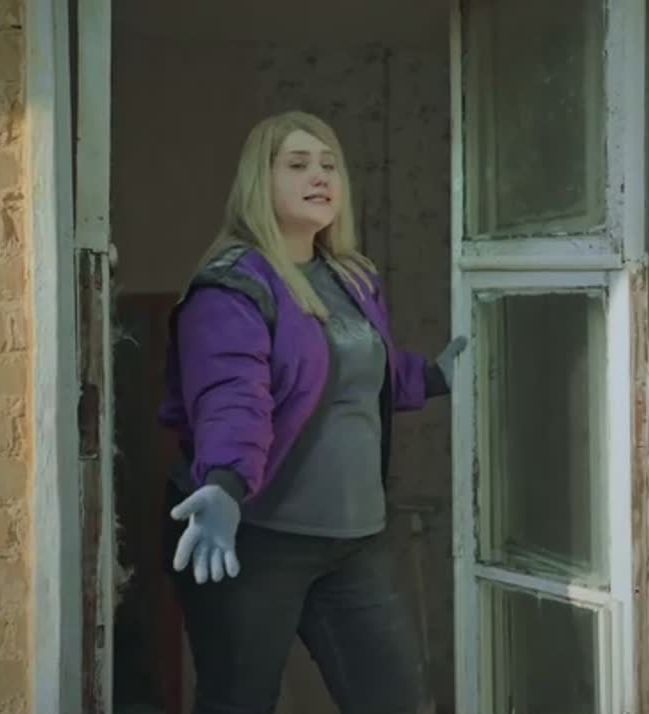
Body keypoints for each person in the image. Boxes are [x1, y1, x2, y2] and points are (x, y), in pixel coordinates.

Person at [156, 110, 466, 714]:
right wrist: (224, 484)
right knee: (239, 703)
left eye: (329, 165)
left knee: (398, 702)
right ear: (260, 182)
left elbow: (352, 372)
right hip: (255, 538)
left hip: (356, 540)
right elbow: (232, 397)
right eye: (297, 164)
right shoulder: (231, 287)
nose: (319, 176)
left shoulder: (351, 277)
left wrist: (433, 377)